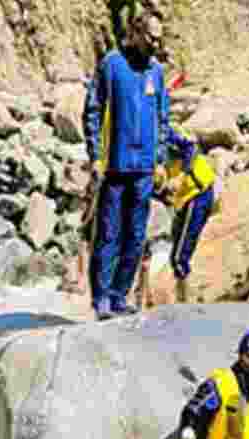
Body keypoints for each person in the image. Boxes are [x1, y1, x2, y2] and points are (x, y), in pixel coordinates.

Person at [83, 2, 189, 320]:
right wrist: (95, 155)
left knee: (136, 235)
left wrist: (160, 160)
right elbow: (92, 110)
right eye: (151, 37)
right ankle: (101, 298)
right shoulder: (111, 64)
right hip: (115, 165)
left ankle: (119, 295)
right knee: (109, 233)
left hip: (144, 168)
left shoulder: (155, 71)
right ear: (136, 33)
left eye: (159, 38)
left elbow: (162, 118)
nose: (156, 44)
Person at [154, 135, 220, 298]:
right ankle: (184, 298)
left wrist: (180, 177)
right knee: (175, 256)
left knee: (179, 257)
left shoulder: (166, 131)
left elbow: (192, 147)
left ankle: (186, 301)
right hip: (184, 199)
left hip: (197, 194)